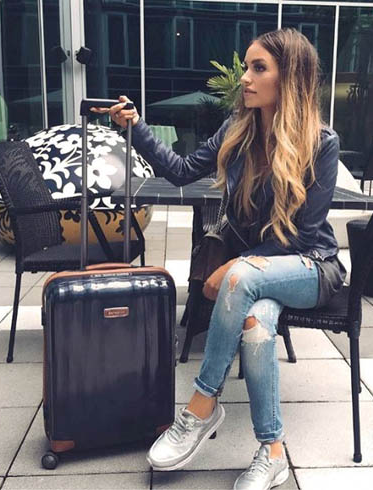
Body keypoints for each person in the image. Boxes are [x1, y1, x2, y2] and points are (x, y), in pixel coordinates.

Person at [92, 27, 345, 490]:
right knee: (255, 324)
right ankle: (273, 452)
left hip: (310, 266)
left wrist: (233, 265)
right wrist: (136, 127)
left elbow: (304, 236)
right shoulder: (238, 131)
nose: (245, 78)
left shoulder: (321, 143)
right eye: (247, 67)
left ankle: (201, 406)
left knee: (237, 279)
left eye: (258, 68)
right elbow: (181, 171)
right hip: (257, 273)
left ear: (289, 77)